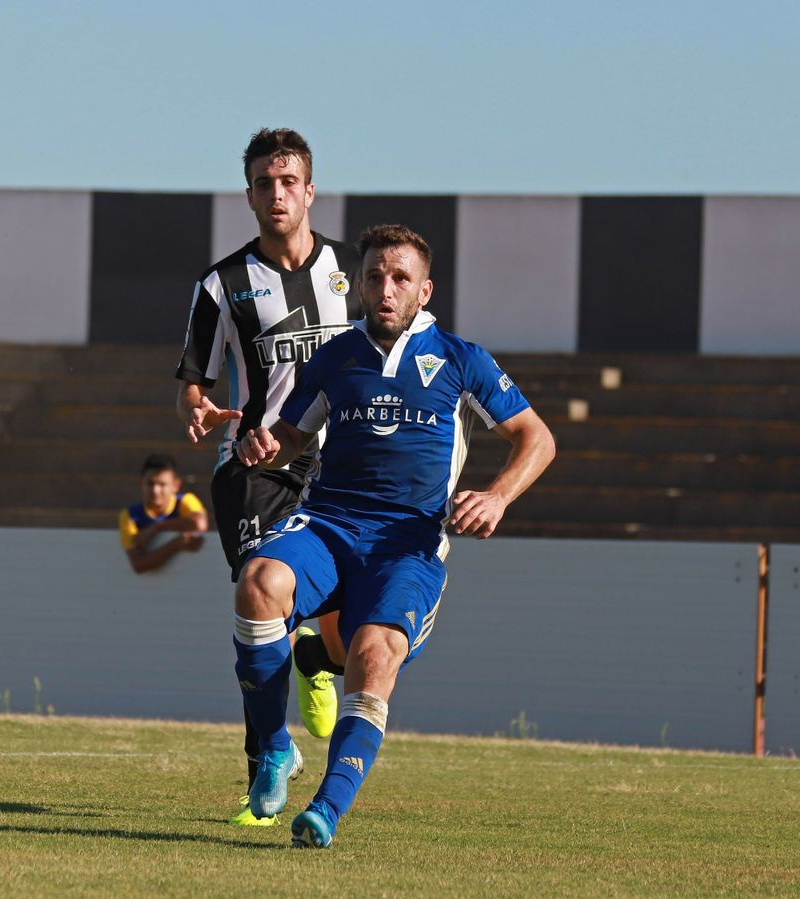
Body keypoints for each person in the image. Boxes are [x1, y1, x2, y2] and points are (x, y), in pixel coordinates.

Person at [231, 224, 556, 849]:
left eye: (400, 278)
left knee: (374, 657)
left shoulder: (462, 359)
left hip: (407, 541)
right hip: (328, 521)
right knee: (258, 584)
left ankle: (325, 809)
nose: (385, 288)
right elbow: (292, 437)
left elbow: (536, 438)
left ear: (424, 290)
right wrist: (268, 444)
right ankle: (275, 750)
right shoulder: (334, 356)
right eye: (375, 276)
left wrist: (496, 496)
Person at [174, 128, 357, 826]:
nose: (277, 193)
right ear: (249, 195)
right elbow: (190, 384)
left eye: (289, 181)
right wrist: (198, 412)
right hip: (254, 466)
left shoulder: (351, 273)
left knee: (347, 629)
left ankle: (315, 656)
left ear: (310, 190)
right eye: (263, 183)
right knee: (261, 600)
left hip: (341, 469)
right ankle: (267, 762)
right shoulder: (221, 285)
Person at [118, 454, 208, 574]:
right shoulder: (130, 516)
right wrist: (176, 544)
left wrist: (157, 527)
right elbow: (138, 565)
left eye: (162, 484)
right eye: (150, 483)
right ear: (141, 482)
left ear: (176, 485)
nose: (155, 490)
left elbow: (199, 523)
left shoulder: (184, 501)